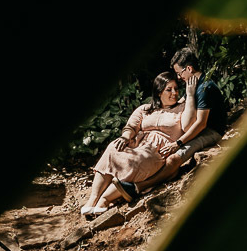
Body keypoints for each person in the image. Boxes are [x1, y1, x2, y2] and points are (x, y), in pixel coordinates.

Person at [94, 47, 227, 209]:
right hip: (198, 129)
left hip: (211, 132)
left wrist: (178, 143)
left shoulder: (205, 88)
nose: (178, 77)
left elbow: (200, 124)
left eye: (179, 73)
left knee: (173, 159)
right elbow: (180, 106)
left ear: (189, 69)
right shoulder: (192, 85)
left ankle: (138, 187)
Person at [80, 72, 186, 216]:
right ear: (159, 92)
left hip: (158, 150)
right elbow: (131, 126)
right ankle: (93, 199)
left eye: (176, 89)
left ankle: (104, 199)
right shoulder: (145, 109)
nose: (174, 93)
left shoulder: (182, 109)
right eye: (169, 89)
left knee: (137, 161)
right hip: (138, 144)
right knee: (113, 148)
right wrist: (125, 138)